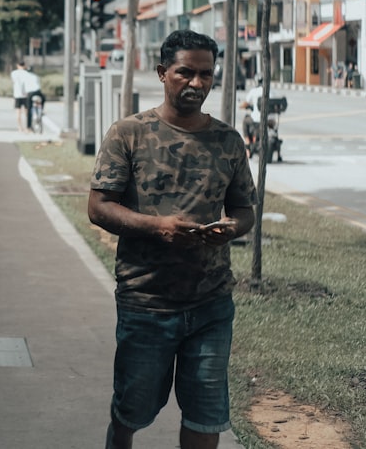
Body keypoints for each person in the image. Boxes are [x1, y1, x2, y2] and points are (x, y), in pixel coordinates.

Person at [88, 29, 256, 449]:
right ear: (163, 73)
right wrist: (156, 226)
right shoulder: (129, 134)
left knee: (205, 417)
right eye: (185, 73)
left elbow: (244, 211)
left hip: (211, 304)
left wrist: (230, 229)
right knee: (131, 409)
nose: (197, 84)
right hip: (146, 301)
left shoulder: (228, 141)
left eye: (206, 74)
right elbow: (98, 207)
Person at [239, 76, 263, 155]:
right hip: (271, 120)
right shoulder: (271, 91)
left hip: (257, 119)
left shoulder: (254, 91)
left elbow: (245, 103)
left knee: (245, 121)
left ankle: (248, 146)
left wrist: (242, 106)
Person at [10, 61, 31, 132]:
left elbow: (13, 82)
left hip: (17, 94)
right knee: (27, 113)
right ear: (24, 66)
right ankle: (27, 127)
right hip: (25, 95)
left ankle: (20, 127)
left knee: (18, 112)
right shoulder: (27, 73)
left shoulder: (13, 73)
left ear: (17, 65)